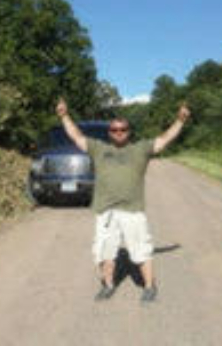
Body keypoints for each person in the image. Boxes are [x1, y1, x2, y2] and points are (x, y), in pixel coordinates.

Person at [55, 97, 191, 304]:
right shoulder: (99, 148)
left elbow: (164, 139)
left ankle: (149, 286)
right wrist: (64, 116)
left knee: (141, 249)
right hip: (106, 211)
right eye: (114, 130)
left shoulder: (140, 149)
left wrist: (180, 120)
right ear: (109, 133)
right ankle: (108, 285)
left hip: (132, 210)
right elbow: (76, 136)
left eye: (123, 129)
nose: (119, 132)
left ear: (129, 132)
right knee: (104, 251)